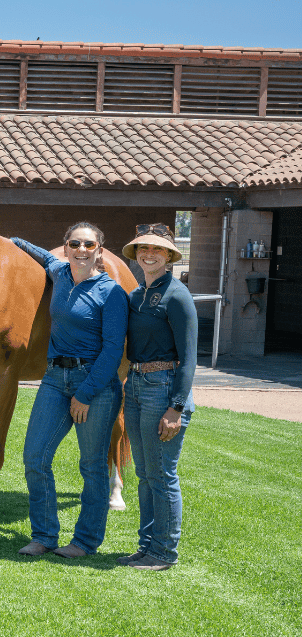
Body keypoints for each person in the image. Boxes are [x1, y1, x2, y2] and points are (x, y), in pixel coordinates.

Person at [11, 223, 128, 558]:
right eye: (74, 243)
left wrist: (85, 394)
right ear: (66, 247)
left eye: (88, 245)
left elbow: (112, 351)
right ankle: (45, 535)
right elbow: (34, 250)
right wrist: (6, 239)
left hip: (95, 385)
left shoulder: (111, 293)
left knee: (92, 466)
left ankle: (85, 542)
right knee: (35, 456)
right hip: (53, 379)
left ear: (99, 251)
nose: (81, 250)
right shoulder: (60, 272)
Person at [119, 224, 197, 571]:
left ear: (169, 255)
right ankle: (147, 545)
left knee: (163, 474)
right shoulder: (136, 295)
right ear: (136, 254)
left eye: (157, 249)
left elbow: (189, 357)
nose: (149, 254)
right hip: (135, 386)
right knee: (145, 474)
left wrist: (176, 407)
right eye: (143, 248)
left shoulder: (177, 295)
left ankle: (164, 552)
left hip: (163, 390)